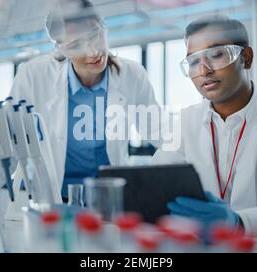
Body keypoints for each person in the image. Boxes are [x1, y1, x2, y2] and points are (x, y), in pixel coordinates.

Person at [153, 15, 257, 238]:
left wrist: (238, 223)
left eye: (216, 55)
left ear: (247, 58)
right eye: (194, 61)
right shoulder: (184, 123)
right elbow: (154, 183)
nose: (204, 70)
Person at [10, 0, 160, 201]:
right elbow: (9, 139)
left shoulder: (132, 75)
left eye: (94, 35)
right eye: (76, 45)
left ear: (104, 28)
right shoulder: (32, 75)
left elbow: (159, 132)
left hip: (109, 196)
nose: (92, 52)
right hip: (54, 197)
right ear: (61, 49)